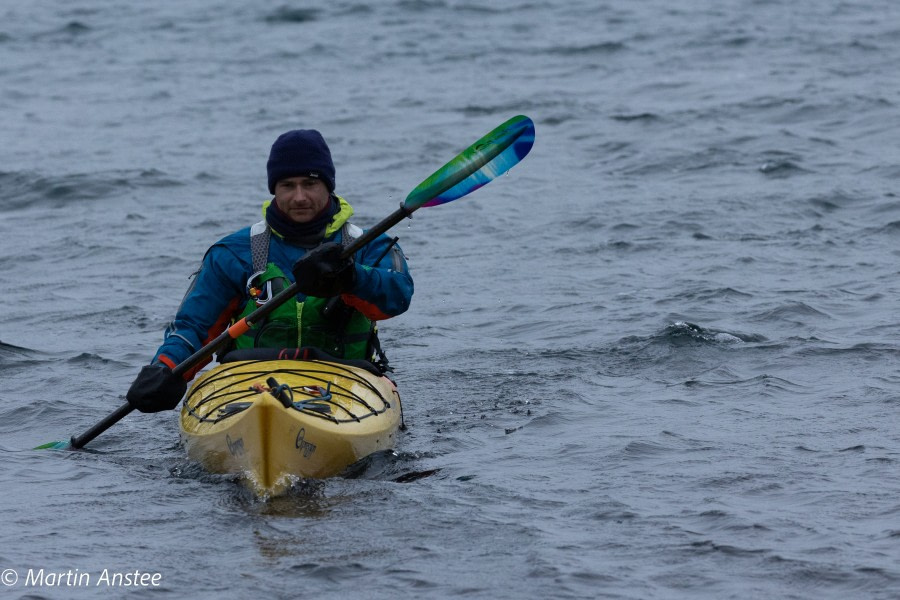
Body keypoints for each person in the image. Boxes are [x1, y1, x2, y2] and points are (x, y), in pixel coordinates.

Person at [125, 129, 414, 413]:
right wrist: (165, 368)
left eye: (310, 184)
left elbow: (397, 297)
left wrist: (352, 277)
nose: (299, 196)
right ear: (274, 189)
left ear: (329, 186)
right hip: (247, 381)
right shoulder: (234, 253)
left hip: (347, 378)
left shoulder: (368, 245)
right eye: (288, 185)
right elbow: (194, 327)